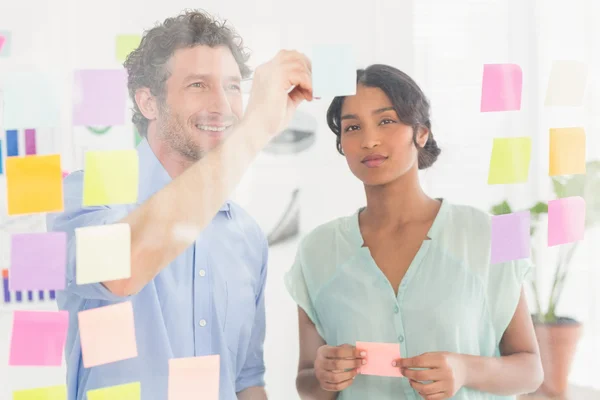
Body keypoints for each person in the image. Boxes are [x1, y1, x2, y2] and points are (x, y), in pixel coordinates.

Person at [46, 10, 314, 400]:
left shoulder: (247, 235)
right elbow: (122, 268)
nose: (222, 105)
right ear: (148, 102)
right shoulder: (87, 193)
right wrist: (256, 128)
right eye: (198, 85)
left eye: (233, 87)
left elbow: (246, 380)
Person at [285, 64, 544, 400]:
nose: (369, 139)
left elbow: (531, 370)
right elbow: (307, 382)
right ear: (342, 144)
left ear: (421, 132)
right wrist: (323, 374)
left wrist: (465, 368)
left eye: (386, 120)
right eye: (352, 127)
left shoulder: (490, 234)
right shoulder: (316, 251)